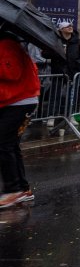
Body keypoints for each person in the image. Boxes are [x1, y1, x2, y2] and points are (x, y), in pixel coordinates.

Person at [0, 38, 39, 209]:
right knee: (11, 144)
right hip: (15, 101)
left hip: (19, 101)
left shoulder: (6, 45)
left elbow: (12, 72)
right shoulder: (11, 44)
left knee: (4, 144)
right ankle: (22, 188)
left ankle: (14, 189)